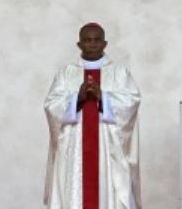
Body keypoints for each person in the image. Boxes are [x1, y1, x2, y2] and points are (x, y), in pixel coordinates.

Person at [44, 22, 141, 209]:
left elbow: (132, 102)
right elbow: (51, 105)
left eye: (97, 40)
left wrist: (103, 97)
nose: (92, 44)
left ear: (105, 44)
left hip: (107, 149)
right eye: (87, 40)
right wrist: (77, 98)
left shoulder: (120, 73)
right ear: (79, 44)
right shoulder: (66, 73)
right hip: (75, 150)